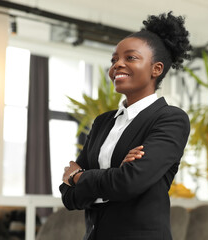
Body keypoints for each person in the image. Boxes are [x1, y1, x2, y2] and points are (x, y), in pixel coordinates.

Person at [60, 12, 192, 240]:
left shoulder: (170, 119)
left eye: (130, 58)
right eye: (114, 60)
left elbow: (129, 183)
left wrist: (79, 177)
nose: (117, 65)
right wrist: (111, 177)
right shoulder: (103, 122)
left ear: (156, 69)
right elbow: (69, 197)